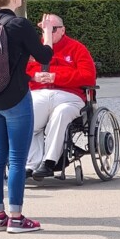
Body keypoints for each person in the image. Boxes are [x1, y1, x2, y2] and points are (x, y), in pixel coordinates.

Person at [0, 0, 54, 233]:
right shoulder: (19, 25)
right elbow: (44, 54)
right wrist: (46, 32)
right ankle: (16, 217)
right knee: (16, 158)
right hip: (15, 98)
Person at [27, 13, 97, 179]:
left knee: (61, 113)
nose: (48, 33)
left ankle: (49, 162)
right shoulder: (35, 48)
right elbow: (24, 70)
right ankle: (30, 164)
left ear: (63, 30)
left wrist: (56, 76)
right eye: (45, 29)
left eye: (53, 29)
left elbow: (88, 76)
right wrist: (36, 76)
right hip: (40, 93)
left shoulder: (76, 48)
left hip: (68, 96)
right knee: (27, 117)